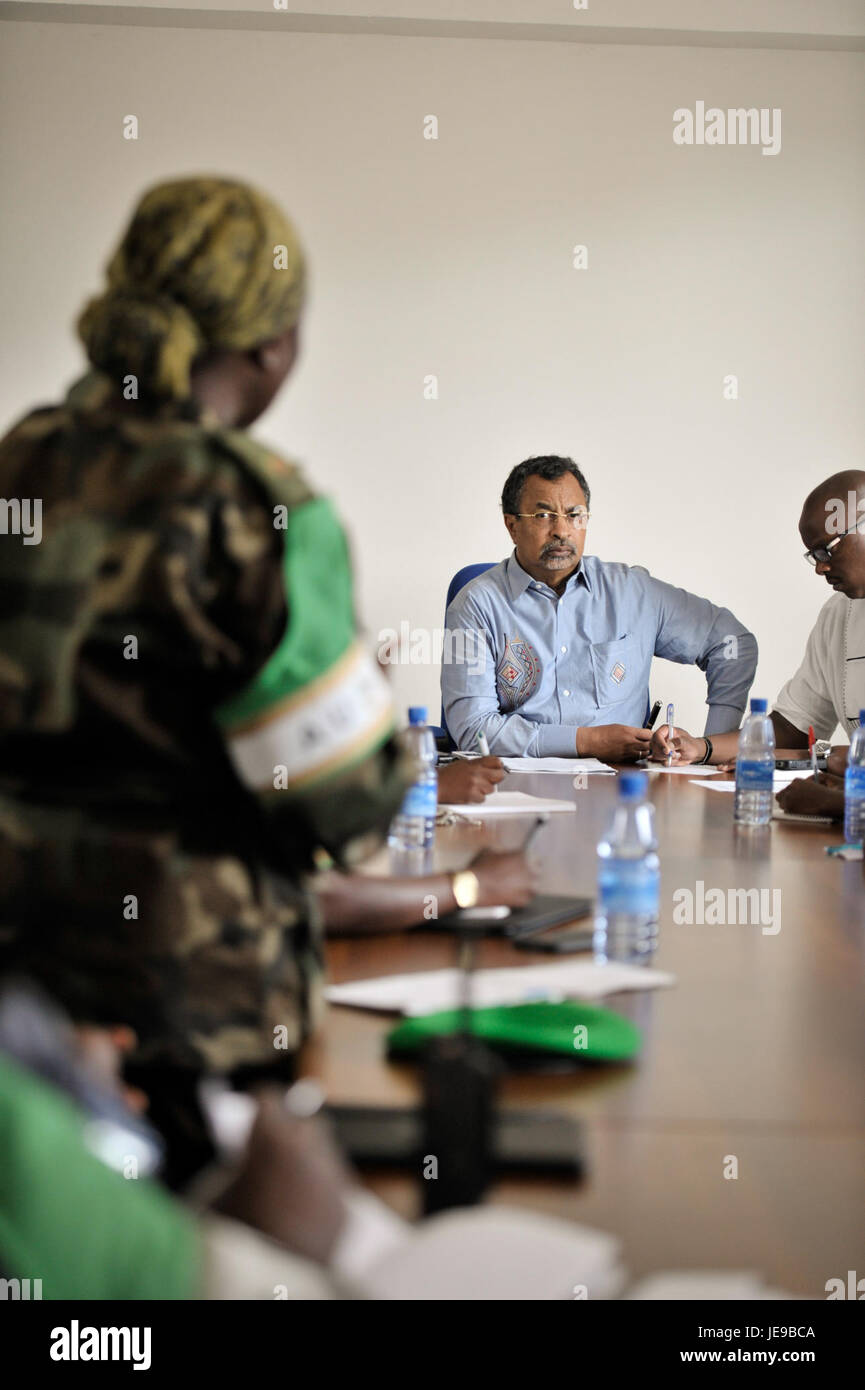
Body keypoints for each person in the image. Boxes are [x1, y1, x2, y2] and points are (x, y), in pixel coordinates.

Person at [0, 176, 409, 1183]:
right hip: (194, 1004)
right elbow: (338, 800)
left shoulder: (16, 463)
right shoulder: (256, 508)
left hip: (20, 988)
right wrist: (361, 707)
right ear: (273, 345)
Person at [441, 455, 757, 760]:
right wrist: (588, 741)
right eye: (543, 516)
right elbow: (474, 730)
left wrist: (709, 748)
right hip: (515, 783)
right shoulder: (475, 606)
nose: (562, 531)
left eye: (575, 515)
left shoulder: (633, 593)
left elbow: (732, 643)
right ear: (512, 525)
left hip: (622, 784)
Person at [653, 470, 865, 819]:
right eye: (812, 555)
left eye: (826, 549)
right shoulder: (837, 615)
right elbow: (791, 729)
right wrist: (700, 748)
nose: (820, 567)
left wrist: (838, 803)